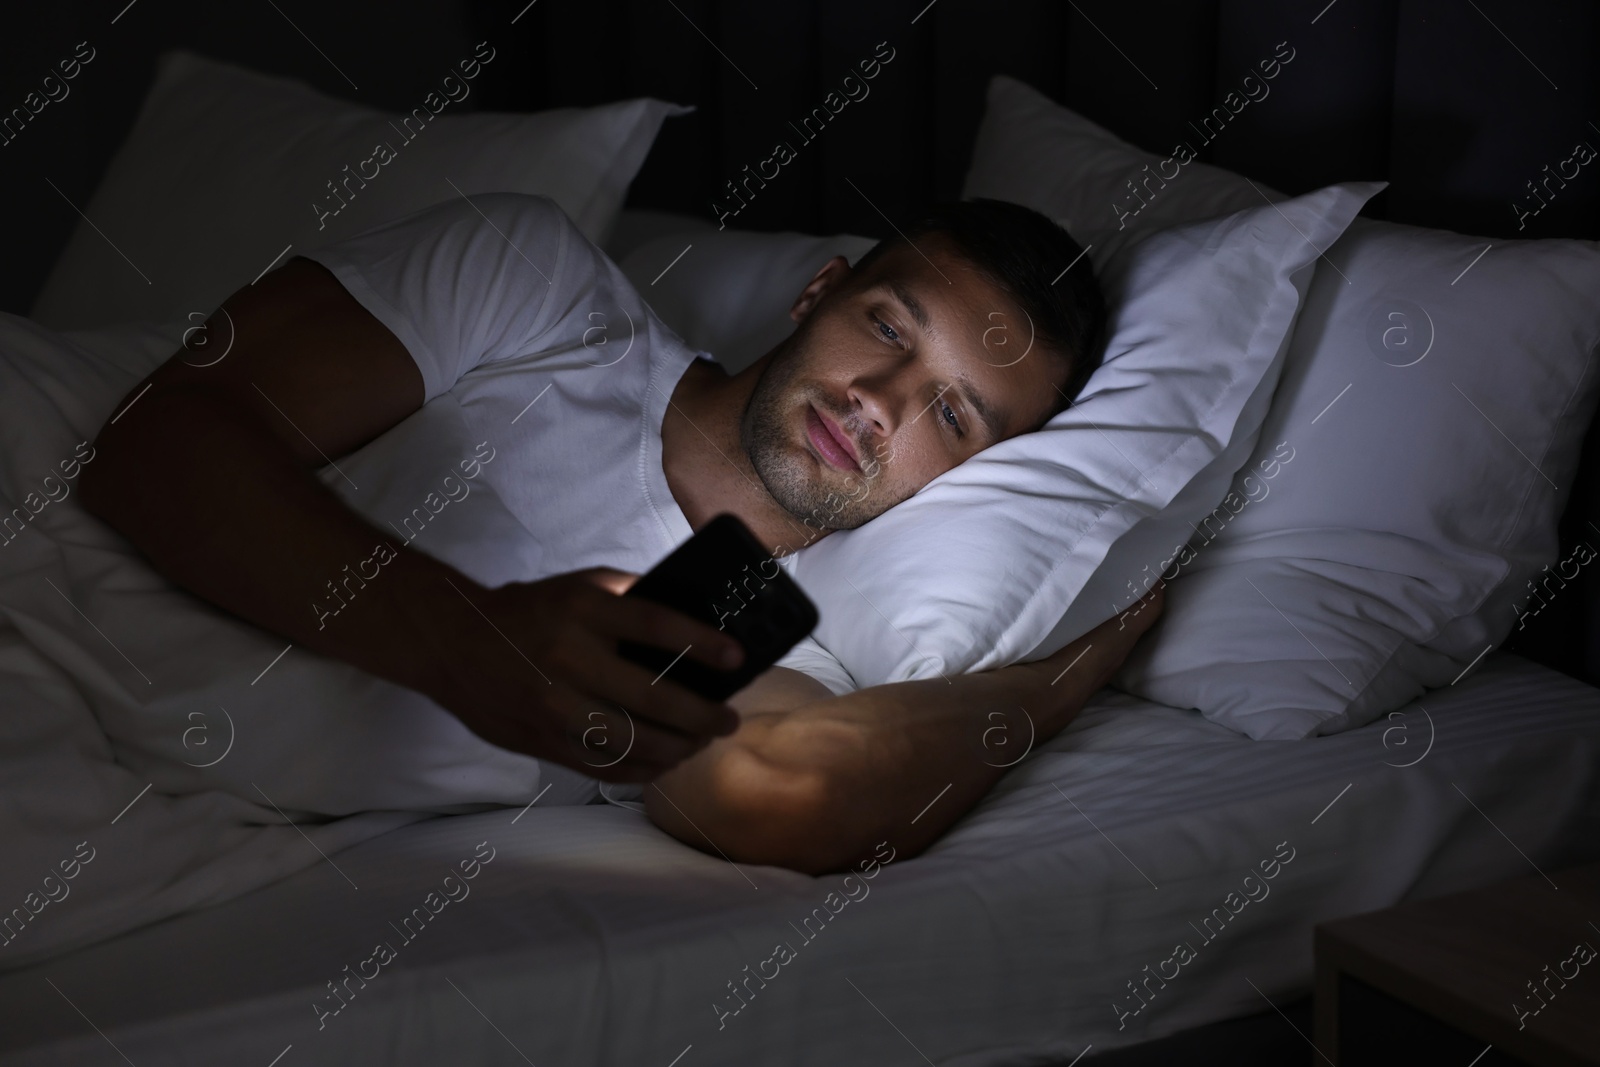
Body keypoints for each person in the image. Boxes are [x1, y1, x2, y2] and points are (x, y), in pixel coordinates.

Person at [80, 191, 1164, 877]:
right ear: (818, 291)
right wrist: (467, 639)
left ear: (977, 474)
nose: (879, 399)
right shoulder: (540, 290)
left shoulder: (764, 614)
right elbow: (154, 442)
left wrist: (1074, 671)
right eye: (886, 327)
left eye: (951, 412)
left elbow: (797, 794)